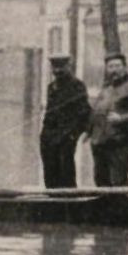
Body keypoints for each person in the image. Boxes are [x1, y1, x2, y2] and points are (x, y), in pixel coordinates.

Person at [88, 53, 128, 187]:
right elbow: (98, 110)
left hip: (121, 142)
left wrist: (122, 118)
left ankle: (123, 207)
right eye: (110, 66)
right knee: (100, 181)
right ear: (106, 69)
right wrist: (89, 131)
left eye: (117, 66)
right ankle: (103, 207)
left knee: (118, 181)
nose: (114, 70)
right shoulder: (107, 87)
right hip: (100, 141)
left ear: (125, 67)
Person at [40, 54, 91, 189]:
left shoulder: (77, 86)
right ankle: (52, 203)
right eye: (55, 67)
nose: (57, 71)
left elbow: (84, 113)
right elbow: (50, 113)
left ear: (69, 66)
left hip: (66, 136)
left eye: (61, 67)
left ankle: (69, 206)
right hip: (49, 136)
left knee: (66, 173)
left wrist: (72, 135)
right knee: (49, 173)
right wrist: (45, 134)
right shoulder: (51, 87)